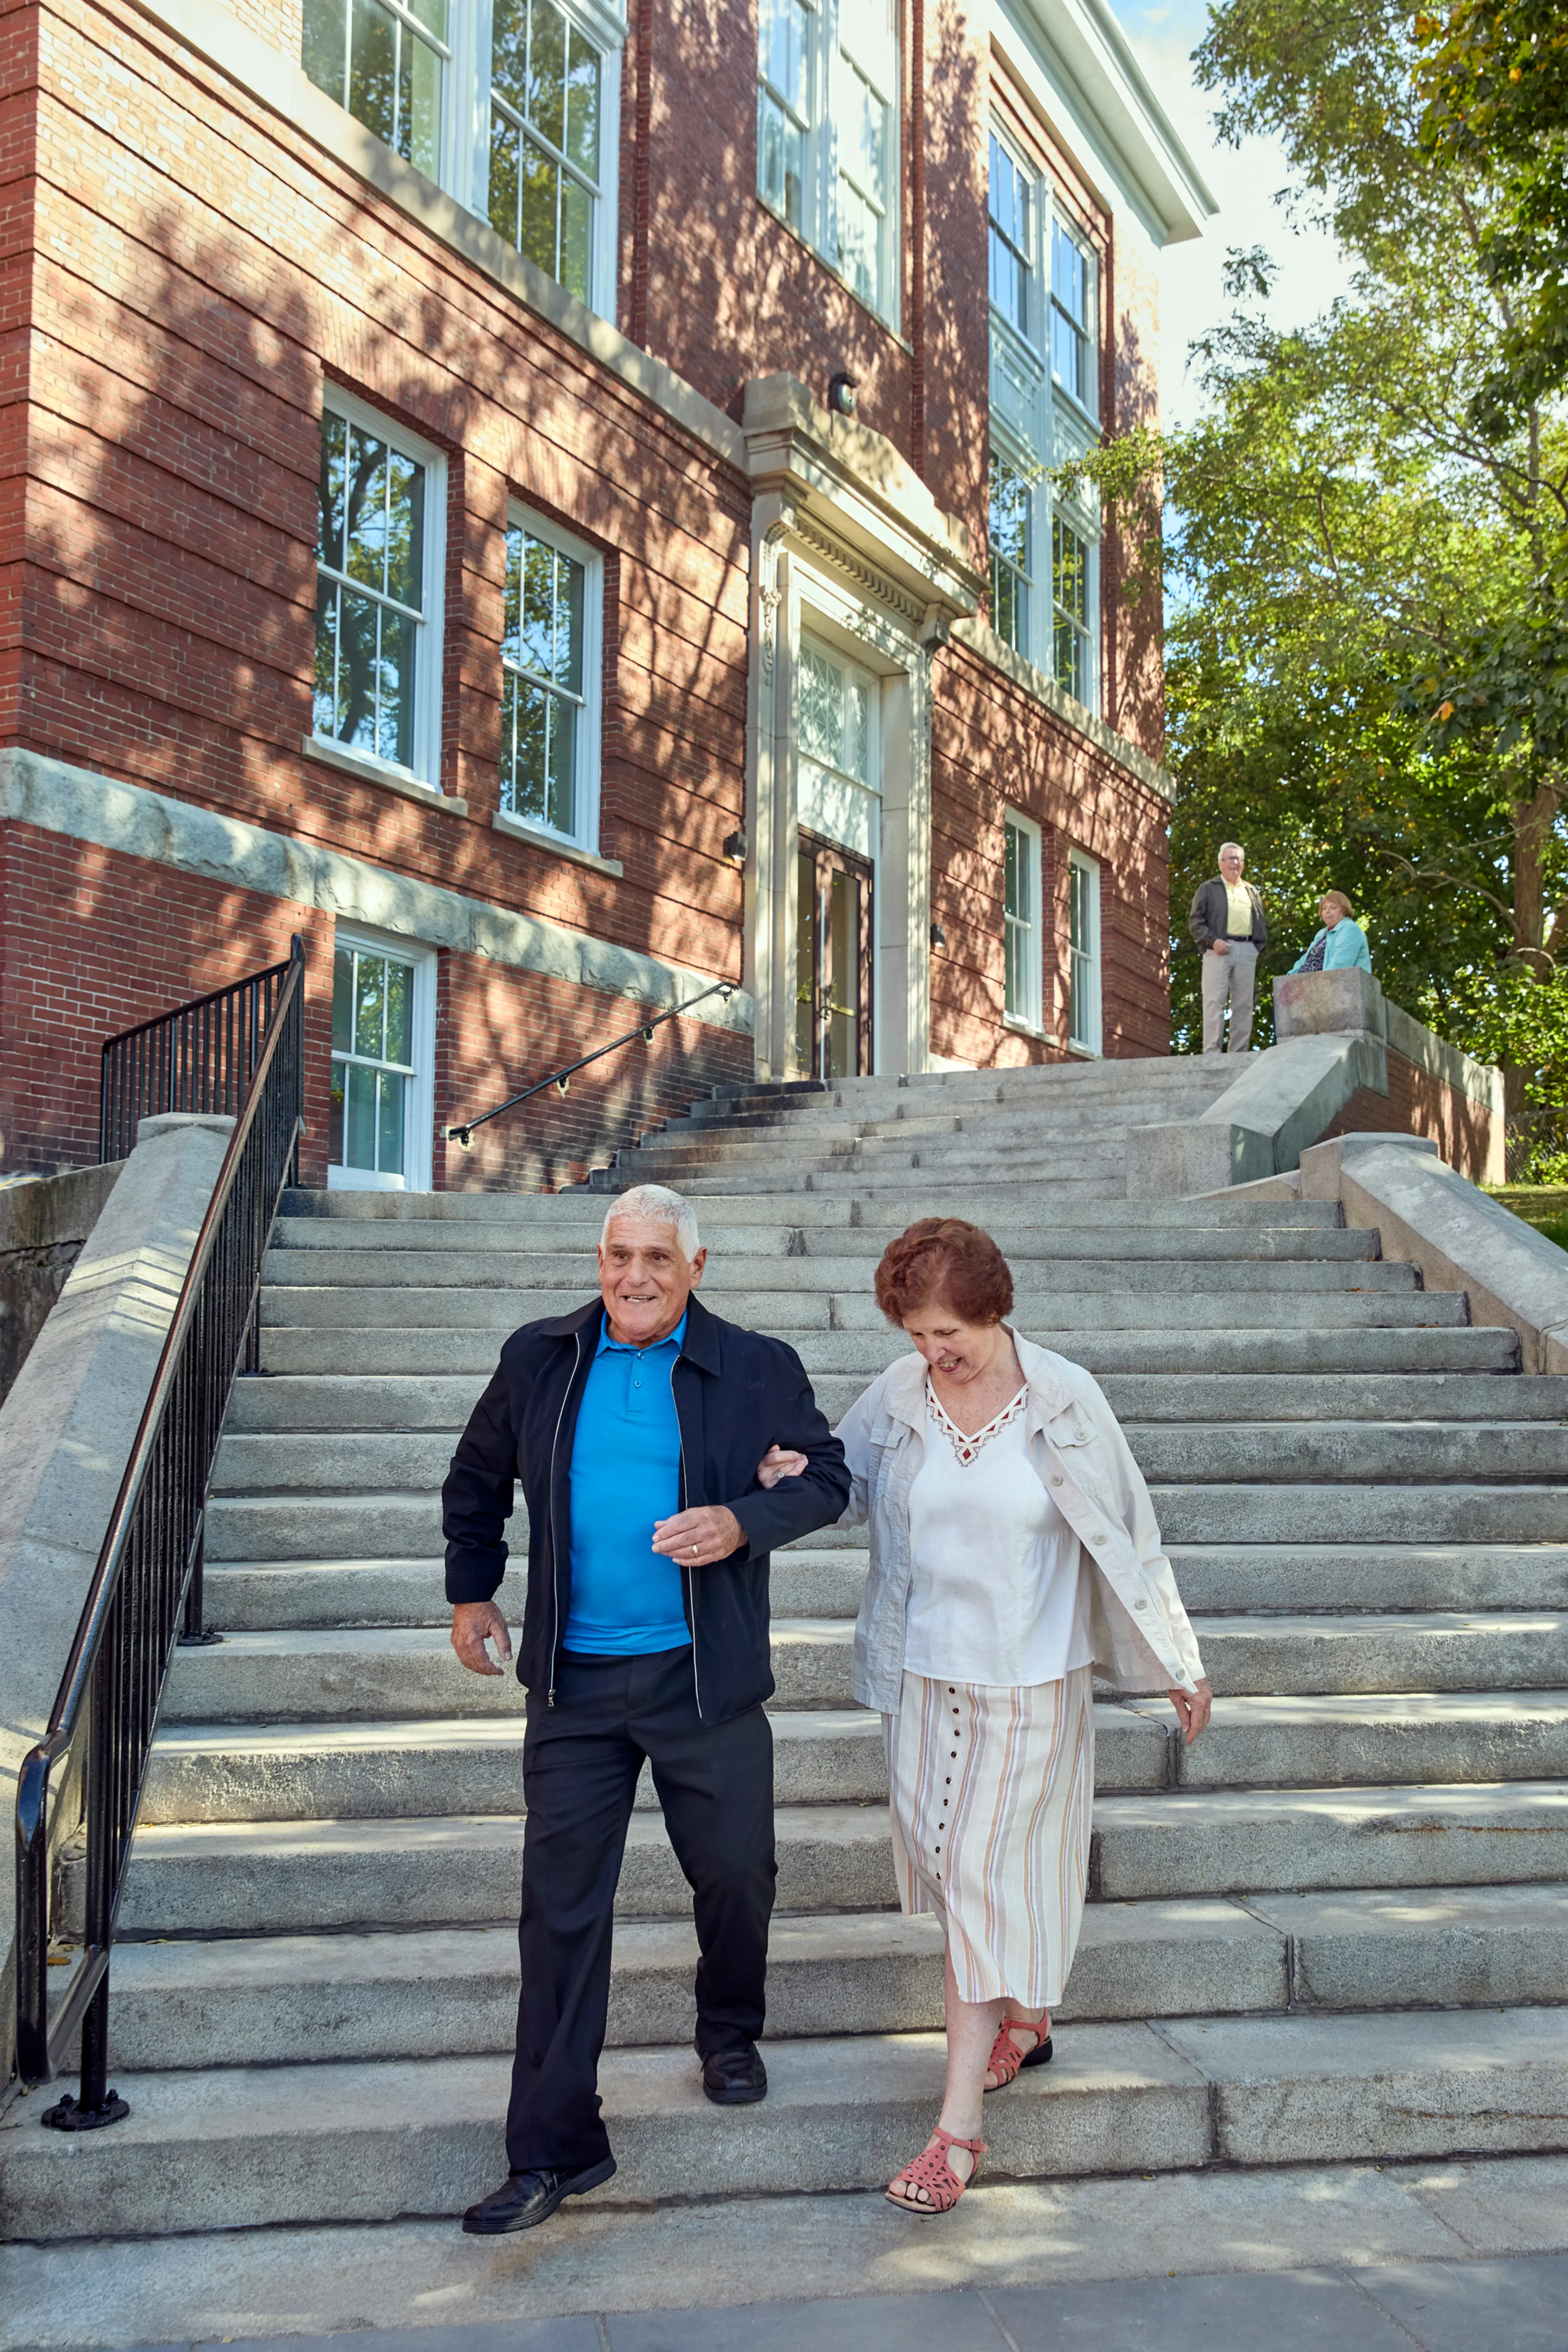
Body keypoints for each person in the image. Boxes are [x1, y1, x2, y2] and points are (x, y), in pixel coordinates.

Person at [442, 1181, 850, 2236]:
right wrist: (470, 1588)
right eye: (619, 1255)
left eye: (657, 1259)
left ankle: (727, 2029)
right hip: (572, 1684)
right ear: (600, 1258)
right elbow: (477, 1476)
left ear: (696, 1268)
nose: (634, 1276)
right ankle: (552, 2151)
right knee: (561, 1911)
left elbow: (830, 1477)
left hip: (700, 1679)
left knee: (737, 1873)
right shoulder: (542, 1356)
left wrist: (743, 1520)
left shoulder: (756, 1365)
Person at [831, 1218, 1211, 2215]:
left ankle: (954, 2131)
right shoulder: (899, 1393)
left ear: (994, 1308)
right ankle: (1028, 2019)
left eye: (947, 1329)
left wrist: (1179, 1657)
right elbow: (840, 1479)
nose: (931, 1351)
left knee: (980, 1875)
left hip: (1030, 1679)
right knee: (947, 1860)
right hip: (921, 1675)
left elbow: (1132, 1530)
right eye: (915, 1332)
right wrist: (779, 1476)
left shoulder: (1064, 1395)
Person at [1190, 842, 1267, 1054]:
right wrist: (1213, 941)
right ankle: (1212, 1053)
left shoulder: (1251, 891)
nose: (1235, 863)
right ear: (1220, 864)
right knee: (1215, 1002)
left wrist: (1256, 948)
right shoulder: (1208, 889)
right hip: (1217, 950)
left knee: (1244, 1005)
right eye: (1230, 859)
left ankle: (1239, 1054)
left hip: (1247, 949)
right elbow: (1195, 922)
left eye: (1238, 859)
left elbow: (1259, 921)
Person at [1292, 891, 1371, 974]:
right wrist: (1290, 977)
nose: (1327, 911)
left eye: (1333, 908)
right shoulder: (1321, 934)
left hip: (1337, 983)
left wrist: (1320, 982)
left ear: (1344, 911)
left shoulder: (1351, 929)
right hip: (1308, 982)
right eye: (1324, 908)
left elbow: (1340, 965)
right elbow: (1305, 960)